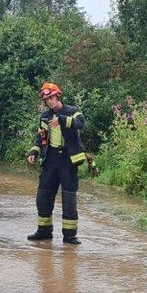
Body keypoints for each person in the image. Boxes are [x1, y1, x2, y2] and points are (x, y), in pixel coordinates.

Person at [26, 82, 87, 244]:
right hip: (50, 159)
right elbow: (41, 137)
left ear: (57, 96)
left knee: (69, 199)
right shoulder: (45, 116)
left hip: (68, 159)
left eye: (52, 98)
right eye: (47, 100)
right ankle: (44, 231)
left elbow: (80, 123)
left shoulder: (72, 111)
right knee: (43, 196)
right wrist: (34, 151)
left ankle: (69, 236)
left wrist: (61, 119)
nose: (50, 102)